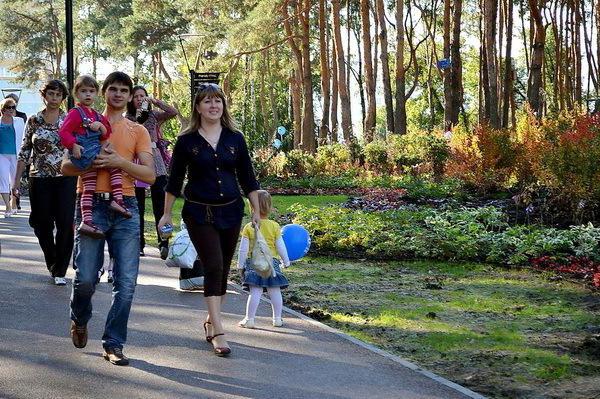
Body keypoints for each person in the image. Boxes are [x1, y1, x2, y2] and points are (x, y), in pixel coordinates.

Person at [158, 83, 260, 357]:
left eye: (218, 101)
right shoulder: (186, 141)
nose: (213, 106)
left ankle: (210, 320)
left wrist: (256, 208)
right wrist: (166, 214)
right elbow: (174, 180)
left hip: (231, 210)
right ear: (198, 107)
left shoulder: (235, 138)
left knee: (223, 270)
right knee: (213, 265)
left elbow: (248, 177)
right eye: (207, 101)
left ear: (223, 106)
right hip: (199, 212)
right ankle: (218, 330)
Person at [61, 71, 155, 366]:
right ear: (104, 92)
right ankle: (80, 317)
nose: (117, 94)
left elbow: (150, 175)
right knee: (86, 278)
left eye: (123, 90)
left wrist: (118, 162)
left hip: (125, 207)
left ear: (130, 96)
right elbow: (65, 166)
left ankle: (114, 343)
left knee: (126, 283)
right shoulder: (85, 122)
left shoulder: (137, 130)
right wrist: (89, 161)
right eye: (112, 89)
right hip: (90, 205)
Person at [13, 79, 76, 286]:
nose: (55, 98)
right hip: (38, 177)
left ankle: (60, 270)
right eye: (51, 94)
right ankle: (52, 260)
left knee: (65, 223)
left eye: (58, 95)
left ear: (63, 98)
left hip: (65, 178)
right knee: (41, 223)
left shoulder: (69, 120)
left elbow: (77, 149)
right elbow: (24, 150)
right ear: (45, 95)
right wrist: (16, 181)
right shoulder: (34, 120)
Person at [59, 75, 132, 239]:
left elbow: (107, 130)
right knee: (113, 165)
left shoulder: (97, 115)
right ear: (76, 94)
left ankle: (87, 221)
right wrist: (73, 145)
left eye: (91, 91)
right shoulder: (75, 113)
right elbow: (63, 132)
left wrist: (100, 127)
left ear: (97, 94)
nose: (88, 95)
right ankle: (118, 200)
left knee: (88, 189)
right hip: (84, 152)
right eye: (83, 91)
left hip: (91, 153)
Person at [126, 86, 178, 259]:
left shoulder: (154, 115)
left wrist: (155, 101)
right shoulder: (128, 118)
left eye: (143, 96)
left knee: (161, 207)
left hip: (157, 165)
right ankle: (138, 244)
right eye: (136, 96)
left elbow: (173, 112)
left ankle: (164, 242)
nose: (140, 99)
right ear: (131, 100)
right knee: (137, 207)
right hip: (136, 165)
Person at [237, 190, 290, 328]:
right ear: (270, 207)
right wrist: (286, 260)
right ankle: (277, 319)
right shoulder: (275, 226)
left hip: (254, 263)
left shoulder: (249, 227)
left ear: (252, 207)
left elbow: (243, 249)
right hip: (272, 262)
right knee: (275, 291)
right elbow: (280, 246)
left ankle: (250, 319)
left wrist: (240, 265)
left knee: (255, 292)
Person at [0, 97, 25, 217]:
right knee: (3, 179)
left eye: (13, 107)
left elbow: (26, 138)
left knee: (15, 180)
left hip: (16, 155)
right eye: (8, 107)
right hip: (2, 155)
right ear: (3, 109)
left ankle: (14, 202)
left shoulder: (19, 121)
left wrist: (27, 155)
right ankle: (8, 207)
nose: (11, 110)